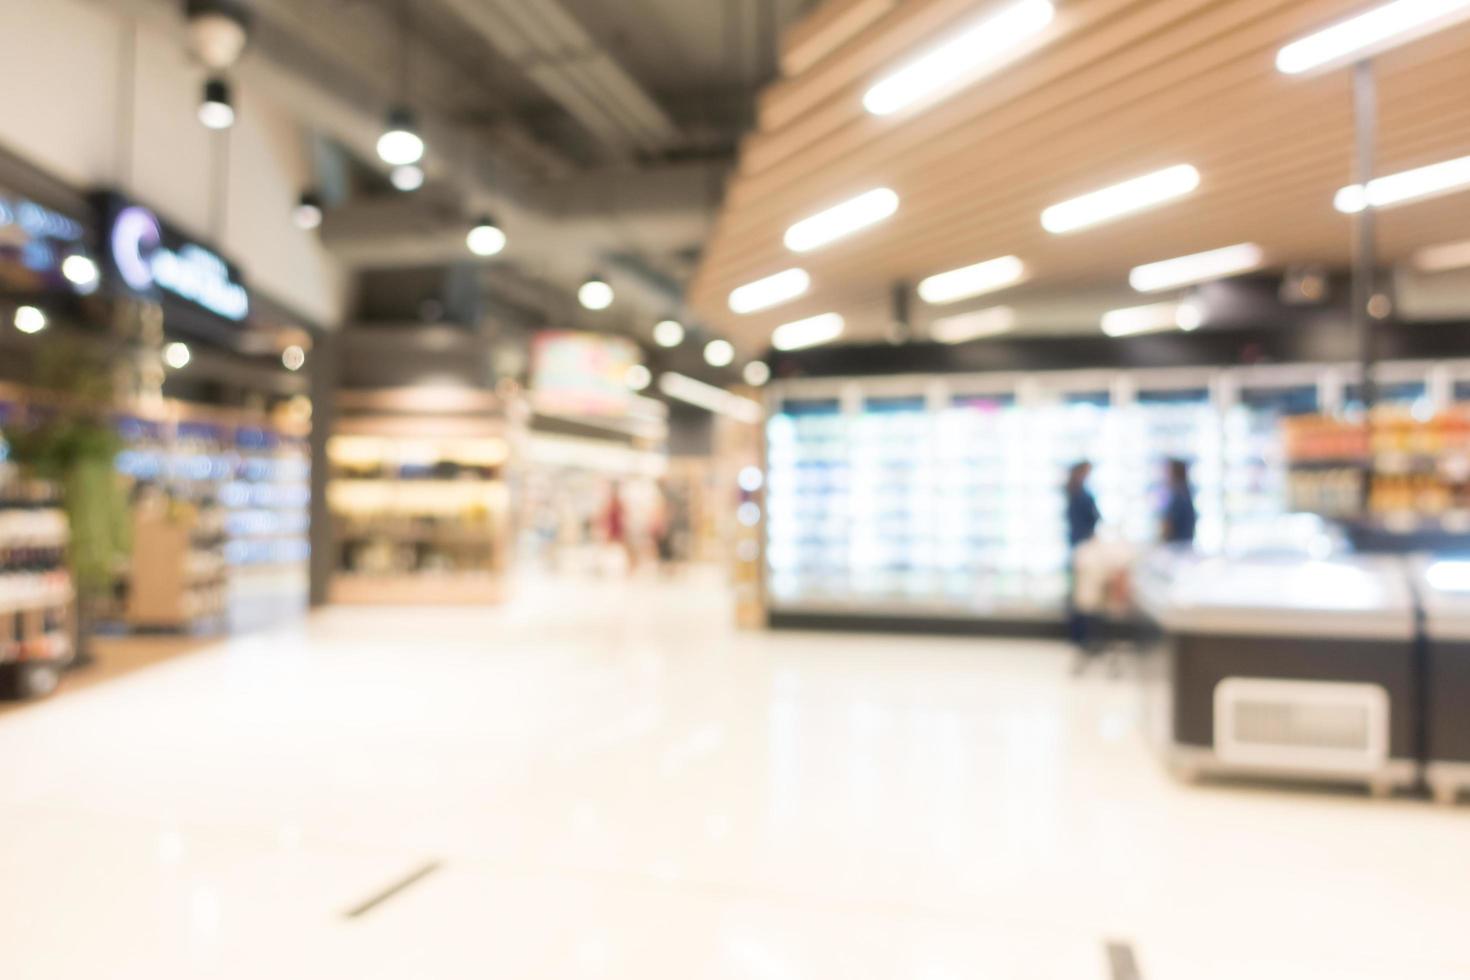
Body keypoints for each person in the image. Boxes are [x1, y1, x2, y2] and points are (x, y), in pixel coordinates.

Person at [1065, 461, 1101, 658]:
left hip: (1079, 551)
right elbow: (1095, 520)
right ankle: (1081, 636)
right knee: (1083, 596)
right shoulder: (1080, 495)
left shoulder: (1074, 493)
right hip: (1084, 553)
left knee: (1080, 595)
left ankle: (1079, 636)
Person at [1161, 458, 1197, 546]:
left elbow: (1169, 526)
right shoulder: (1187, 493)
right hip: (1186, 544)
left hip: (1176, 547)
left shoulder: (1177, 497)